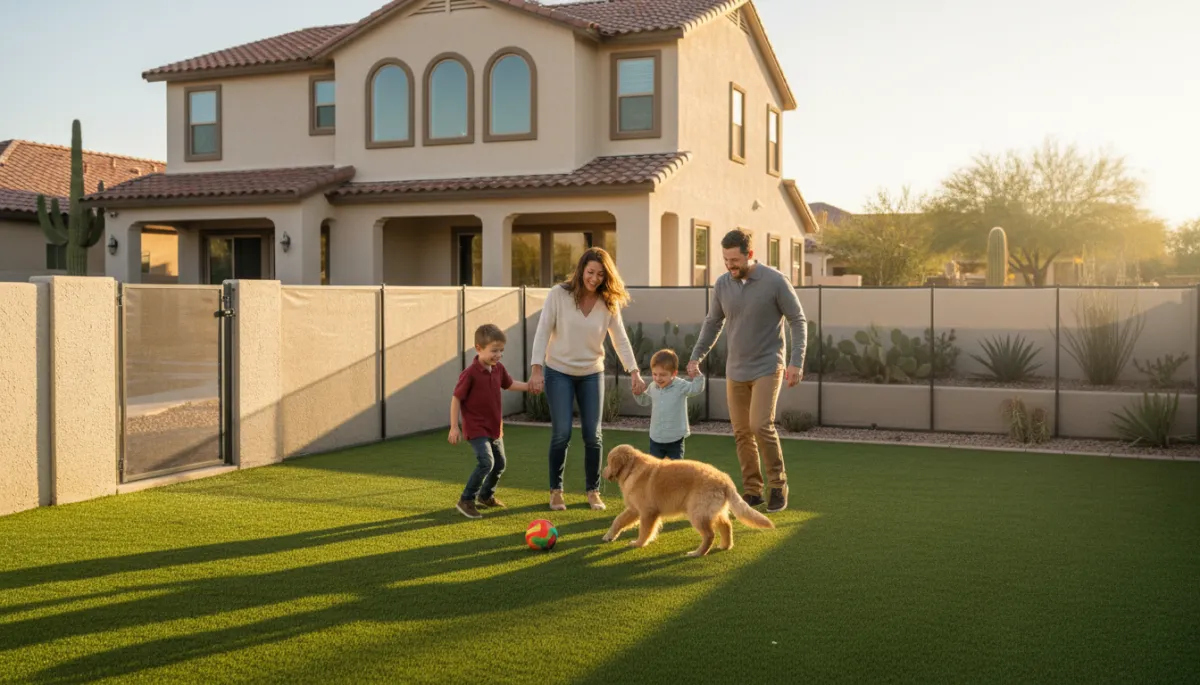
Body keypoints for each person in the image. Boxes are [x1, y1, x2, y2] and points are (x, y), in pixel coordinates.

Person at [689, 229, 807, 513]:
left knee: (759, 425)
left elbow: (797, 320)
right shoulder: (722, 285)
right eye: (726, 259)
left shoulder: (775, 281)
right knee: (742, 432)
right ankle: (752, 491)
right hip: (736, 370)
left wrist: (796, 361)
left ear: (749, 255)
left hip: (768, 366)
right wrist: (696, 357)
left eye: (735, 259)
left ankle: (778, 484)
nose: (730, 265)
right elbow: (713, 322)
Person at [528, 247, 646, 512]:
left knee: (594, 435)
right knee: (562, 434)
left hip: (592, 373)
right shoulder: (559, 295)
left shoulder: (608, 302)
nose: (594, 278)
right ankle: (556, 491)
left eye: (600, 274)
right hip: (558, 371)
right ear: (581, 269)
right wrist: (537, 369)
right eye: (590, 272)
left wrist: (634, 371)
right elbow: (543, 330)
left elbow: (620, 338)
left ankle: (593, 491)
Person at [449, 323, 529, 519]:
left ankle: (486, 495)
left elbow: (509, 385)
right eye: (494, 350)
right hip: (476, 428)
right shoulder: (470, 374)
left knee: (500, 464)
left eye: (501, 350)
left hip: (494, 427)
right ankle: (466, 499)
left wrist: (529, 386)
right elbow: (456, 398)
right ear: (478, 348)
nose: (498, 355)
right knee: (487, 462)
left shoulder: (498, 368)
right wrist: (454, 427)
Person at [632, 349, 706, 460]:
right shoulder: (653, 386)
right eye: (654, 374)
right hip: (656, 439)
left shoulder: (680, 385)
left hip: (675, 440)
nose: (658, 378)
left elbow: (696, 389)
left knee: (674, 472)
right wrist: (637, 393)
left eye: (662, 375)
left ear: (674, 373)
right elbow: (644, 401)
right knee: (655, 470)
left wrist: (697, 375)